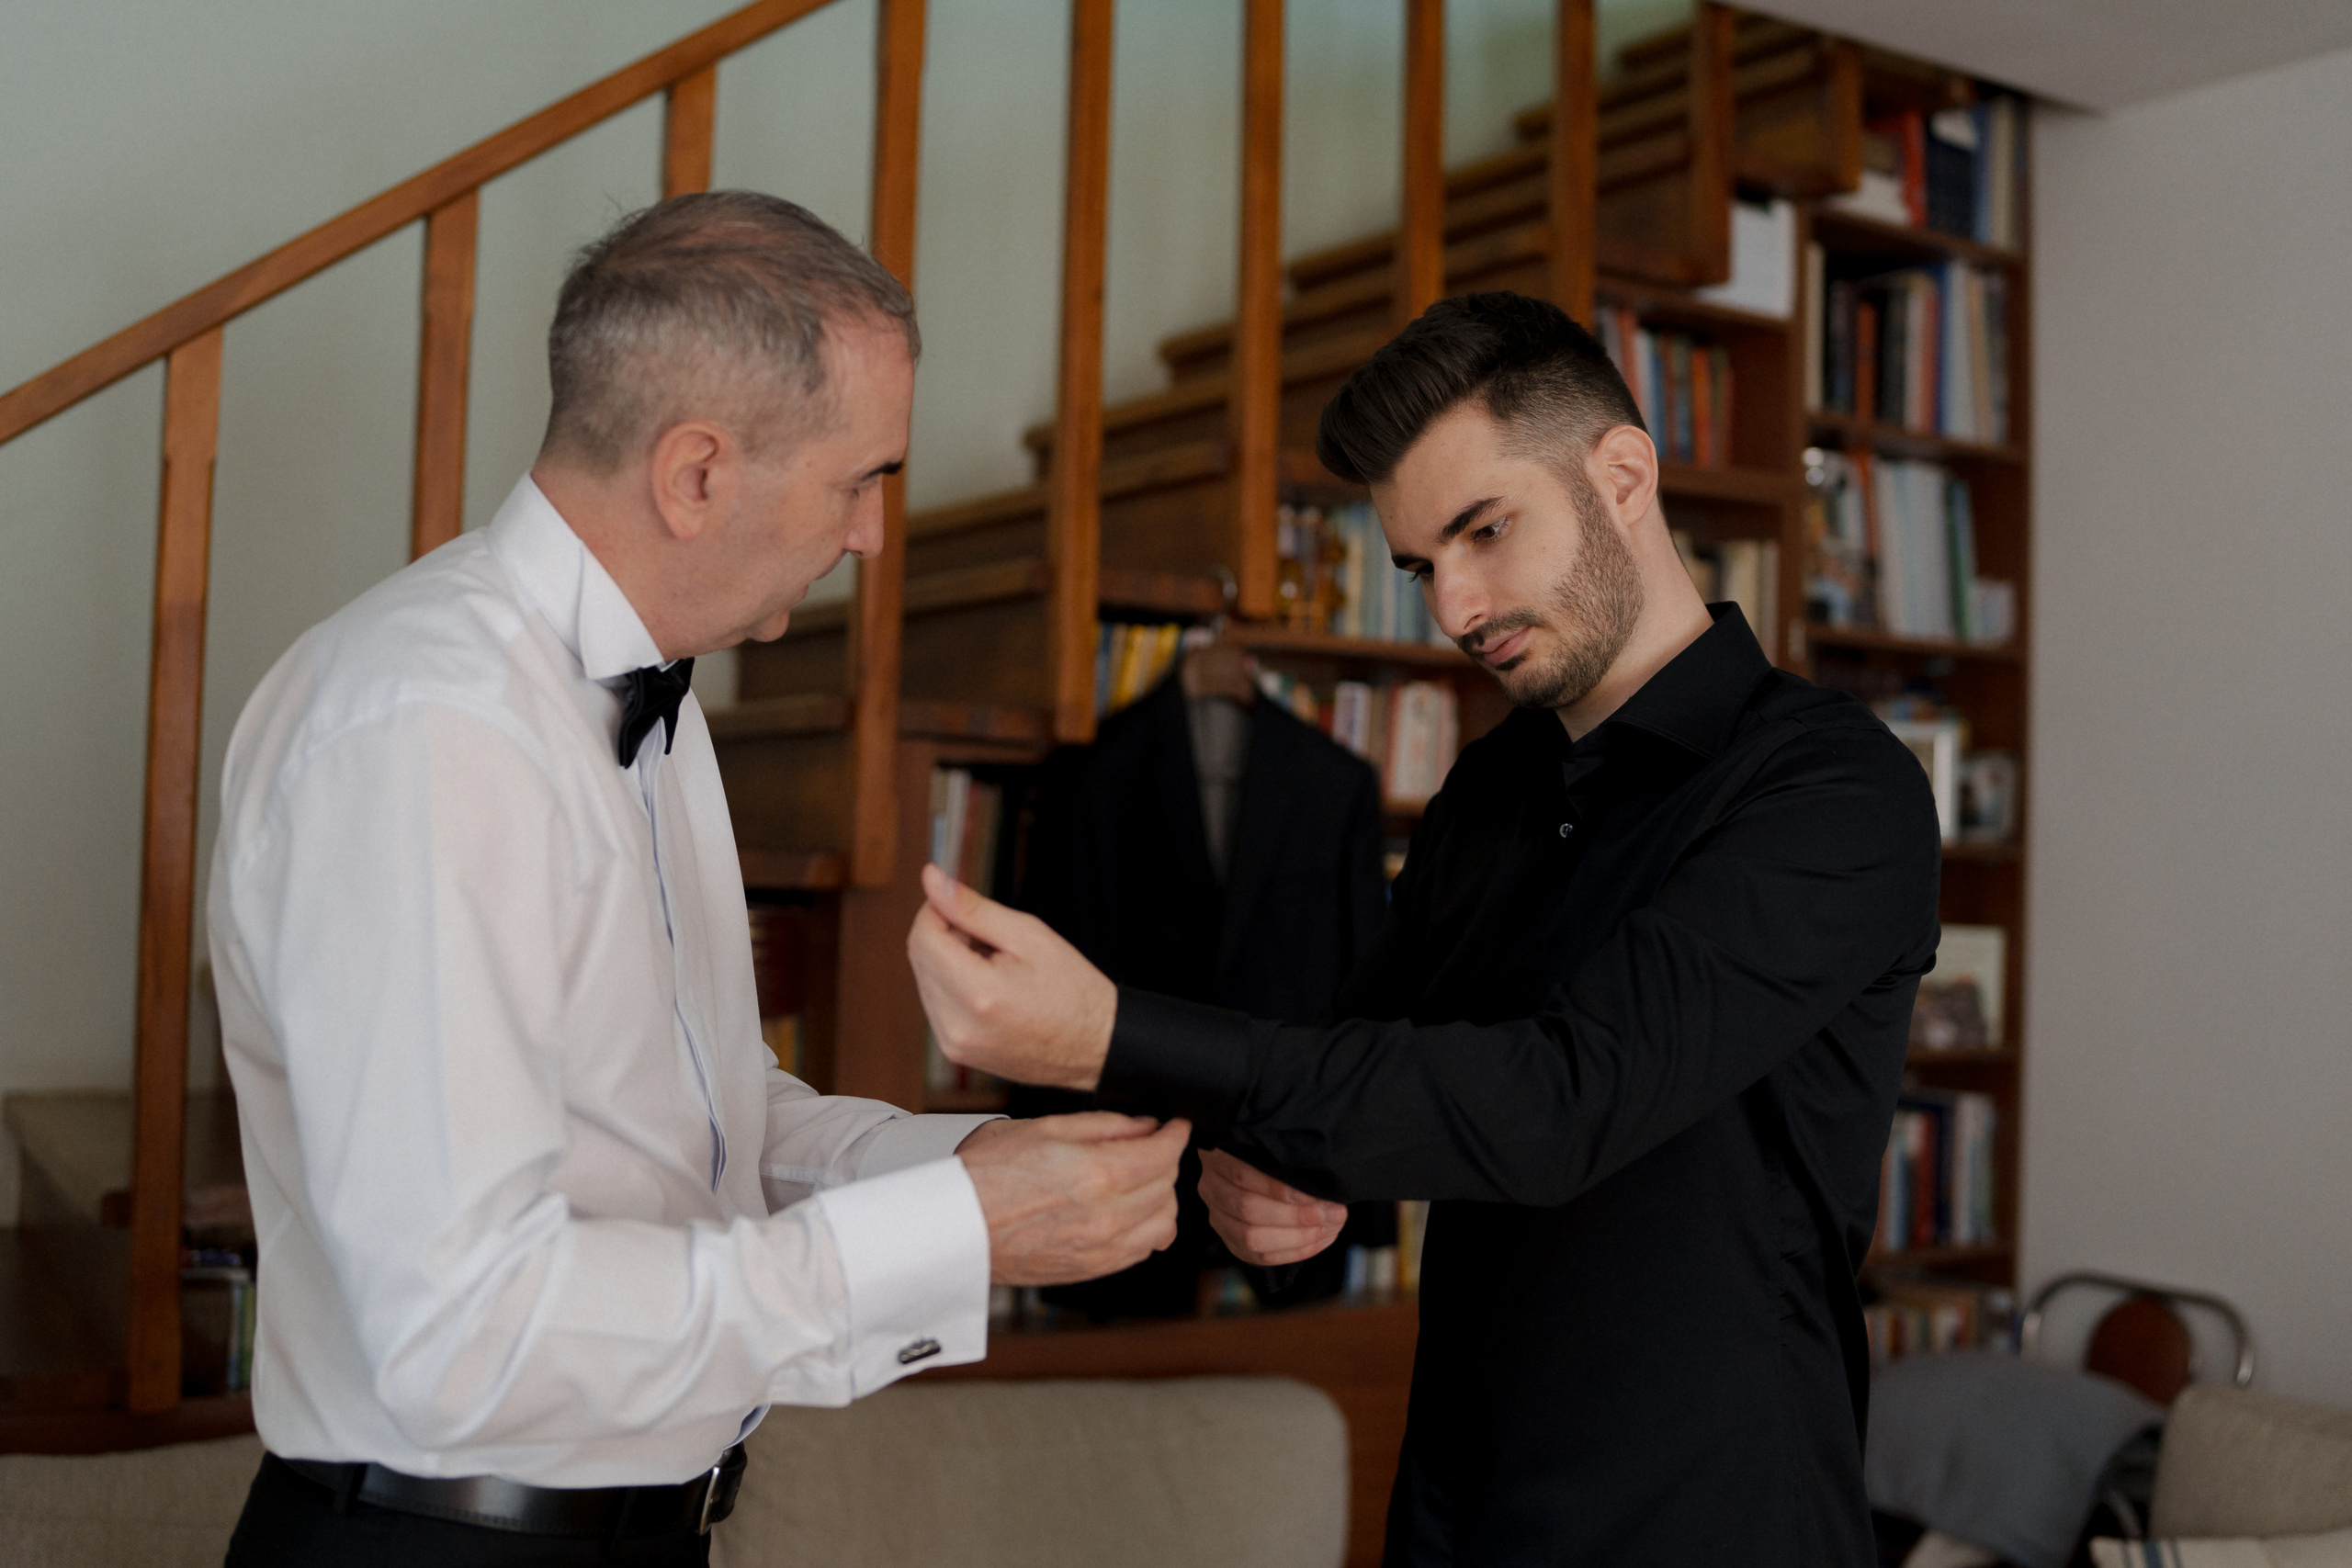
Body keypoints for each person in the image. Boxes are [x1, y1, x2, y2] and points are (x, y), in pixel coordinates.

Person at [209, 191, 1186, 1567]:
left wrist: (966, 1169)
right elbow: (459, 1327)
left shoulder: (653, 705)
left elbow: (703, 1131)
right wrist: (936, 1238)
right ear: (696, 474)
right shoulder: (422, 730)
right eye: (861, 480)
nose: (871, 537)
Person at [906, 291, 1942, 1566]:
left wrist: (1107, 1033)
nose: (1453, 607)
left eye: (1484, 530)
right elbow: (1361, 1064)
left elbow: (1565, 1099)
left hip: (1715, 1521)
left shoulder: (1834, 792)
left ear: (1622, 476)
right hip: (1458, 1513)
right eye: (1419, 565)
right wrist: (1283, 1179)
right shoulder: (1490, 790)